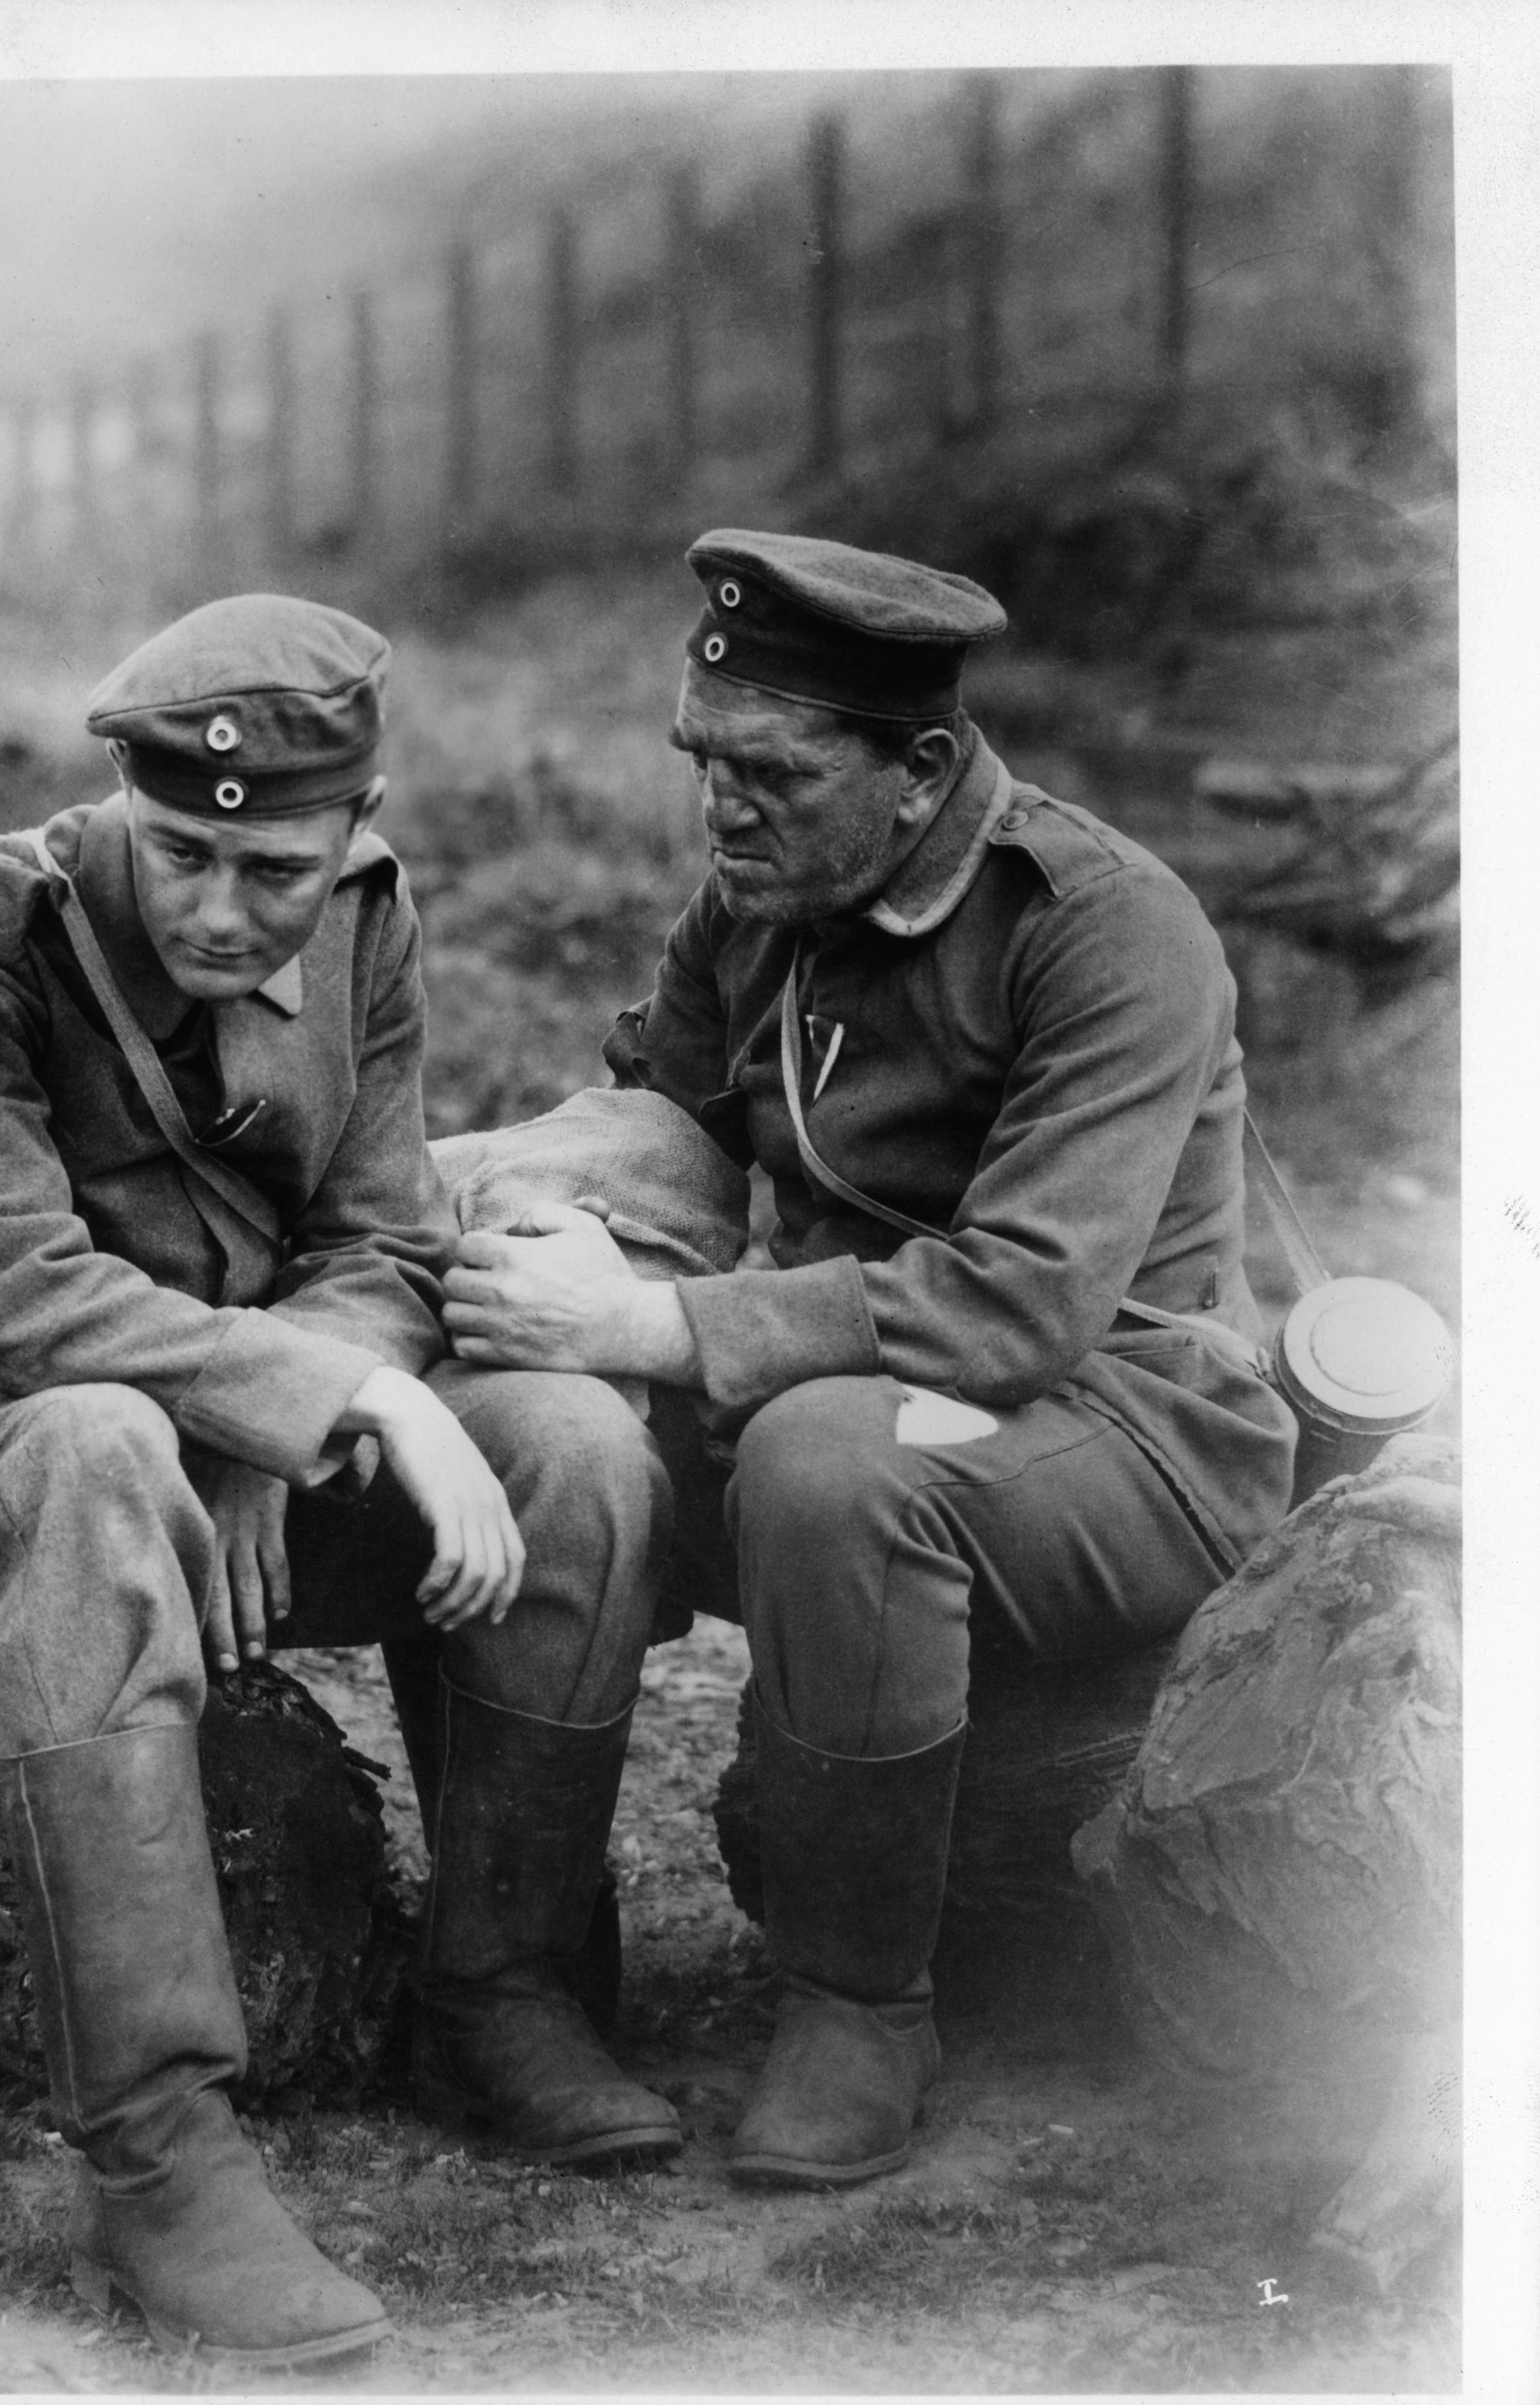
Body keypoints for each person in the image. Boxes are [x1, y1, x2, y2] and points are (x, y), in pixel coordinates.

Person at [0, 595, 678, 2371]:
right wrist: (318, 1396)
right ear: (122, 806)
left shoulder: (368, 922)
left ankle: (494, 1988)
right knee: (106, 1443)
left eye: (268, 867)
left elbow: (373, 1229)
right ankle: (159, 2149)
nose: (218, 907)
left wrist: (301, 1427)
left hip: (218, 1449)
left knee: (568, 1440)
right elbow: (10, 1293)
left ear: (347, 833)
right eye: (178, 853)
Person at [440, 529, 1300, 2190]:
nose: (722, 811)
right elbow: (665, 1131)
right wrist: (483, 1205)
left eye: (769, 772)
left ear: (919, 770)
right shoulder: (764, 903)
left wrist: (658, 1323)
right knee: (552, 1433)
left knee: (826, 1459)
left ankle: (856, 2001)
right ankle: (515, 1971)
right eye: (705, 764)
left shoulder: (1105, 928)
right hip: (855, 1400)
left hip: (1124, 1426)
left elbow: (1029, 1300)